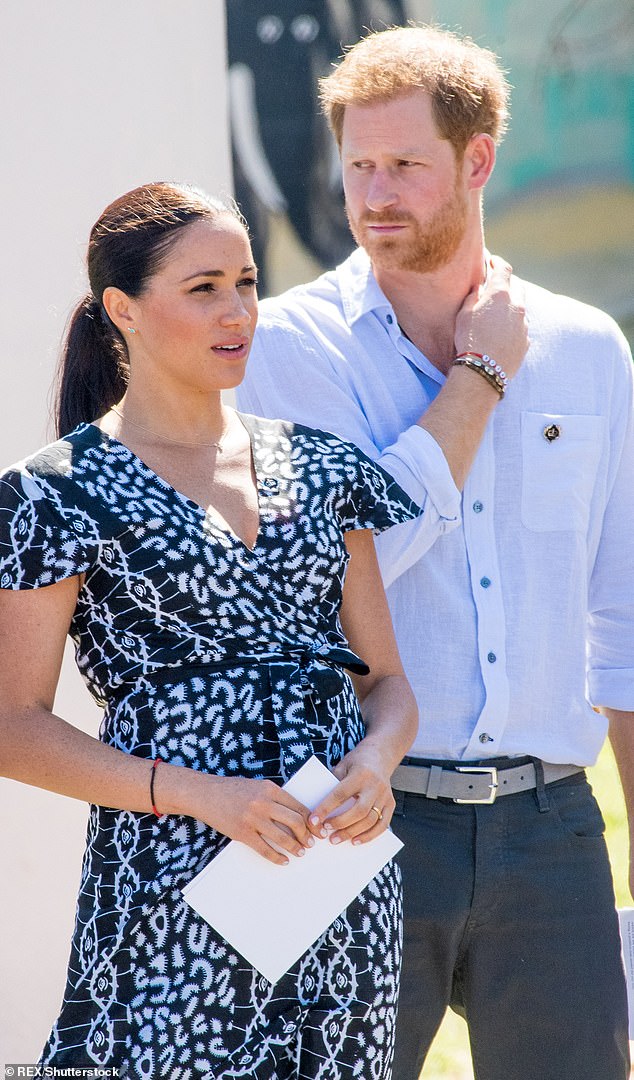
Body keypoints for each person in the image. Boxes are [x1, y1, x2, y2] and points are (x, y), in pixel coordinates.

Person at [237, 24, 634, 1080]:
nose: (374, 194)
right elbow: (342, 564)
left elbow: (622, 620)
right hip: (355, 817)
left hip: (553, 833)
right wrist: (480, 381)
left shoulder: (589, 348)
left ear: (477, 160)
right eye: (358, 164)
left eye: (404, 165)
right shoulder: (286, 349)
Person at [0, 181, 425, 1078]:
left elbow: (387, 682)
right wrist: (199, 795)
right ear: (124, 310)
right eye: (203, 289)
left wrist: (378, 763)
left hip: (336, 876)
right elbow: (13, 726)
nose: (237, 311)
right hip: (170, 878)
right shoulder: (56, 491)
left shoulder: (324, 467)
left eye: (246, 281)